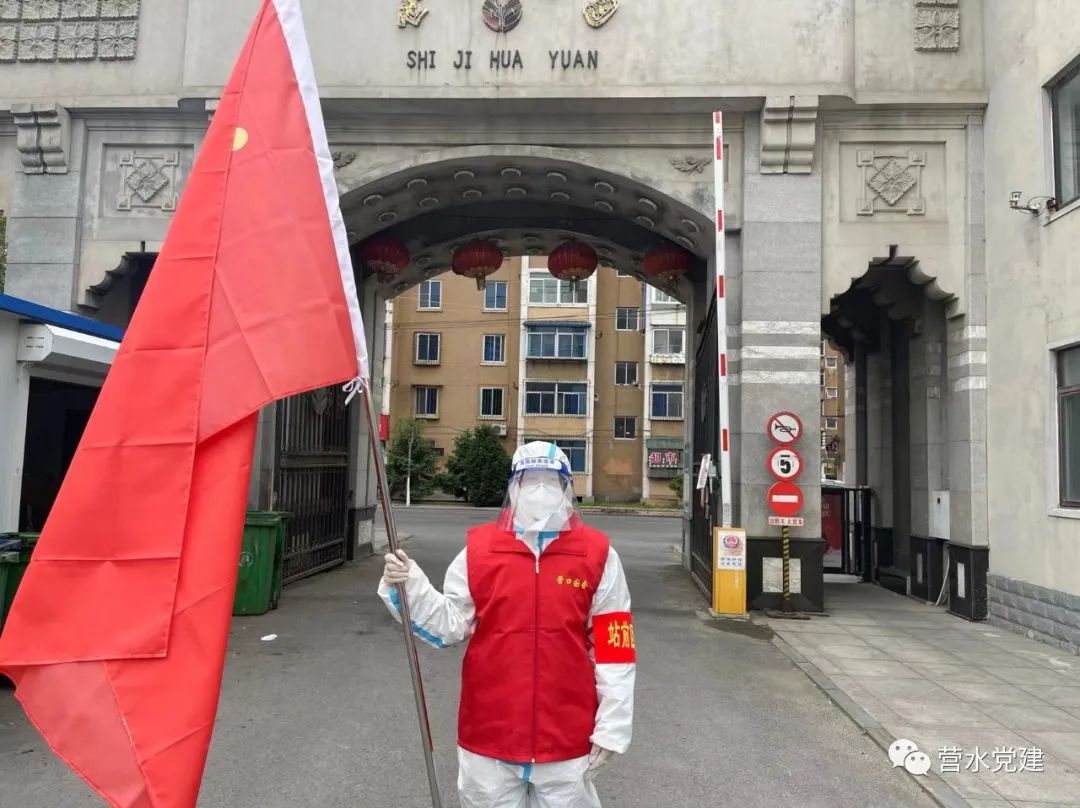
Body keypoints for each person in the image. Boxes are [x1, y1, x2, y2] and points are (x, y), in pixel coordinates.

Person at [378, 441, 636, 808]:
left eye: (551, 481)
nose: (540, 490)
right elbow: (450, 623)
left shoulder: (597, 555)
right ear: (513, 487)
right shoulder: (480, 551)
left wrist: (612, 726)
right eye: (530, 480)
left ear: (567, 488)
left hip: (566, 736)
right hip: (490, 734)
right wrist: (408, 584)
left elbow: (615, 651)